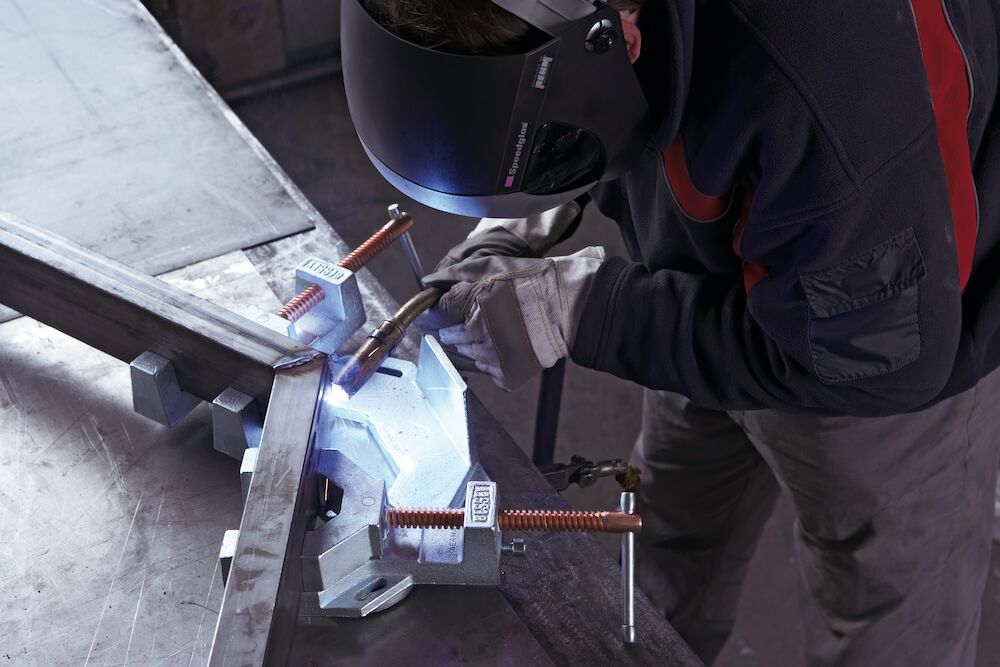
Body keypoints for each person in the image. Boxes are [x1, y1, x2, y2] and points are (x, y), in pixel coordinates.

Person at [341, 1, 1000, 664]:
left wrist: (580, 309)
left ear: (621, 36)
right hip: (710, 272)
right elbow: (610, 85)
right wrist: (531, 190)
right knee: (662, 565)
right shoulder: (612, 25)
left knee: (889, 629)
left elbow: (885, 364)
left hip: (873, 351)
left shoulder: (828, 83)